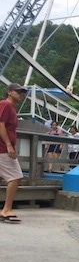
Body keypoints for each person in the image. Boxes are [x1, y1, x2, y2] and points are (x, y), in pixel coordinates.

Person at [0, 82, 27, 223]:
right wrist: (9, 145)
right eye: (18, 91)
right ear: (9, 92)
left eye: (22, 92)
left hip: (3, 148)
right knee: (16, 176)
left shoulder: (11, 108)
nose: (20, 94)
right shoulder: (5, 105)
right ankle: (6, 210)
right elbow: (1, 124)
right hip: (3, 149)